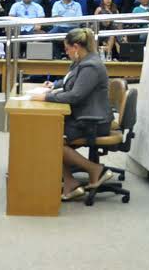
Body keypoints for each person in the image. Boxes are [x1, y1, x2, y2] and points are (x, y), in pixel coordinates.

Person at [31, 28, 115, 200]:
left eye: (67, 49)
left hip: (93, 120)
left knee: (49, 140)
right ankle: (70, 183)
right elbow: (70, 81)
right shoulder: (82, 61)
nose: (66, 52)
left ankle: (95, 170)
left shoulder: (91, 66)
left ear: (76, 47)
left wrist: (46, 97)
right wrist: (54, 85)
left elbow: (76, 95)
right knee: (46, 133)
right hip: (82, 116)